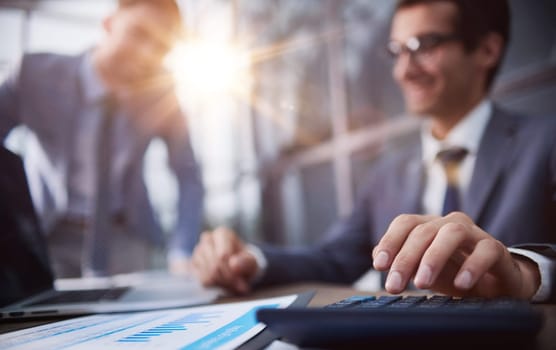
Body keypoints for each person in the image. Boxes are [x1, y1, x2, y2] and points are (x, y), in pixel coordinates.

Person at [190, 0, 556, 302]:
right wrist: (251, 260)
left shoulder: (546, 143)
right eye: (396, 51)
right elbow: (333, 259)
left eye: (423, 46)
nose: (404, 70)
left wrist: (528, 273)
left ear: (487, 50)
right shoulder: (388, 173)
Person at [0, 0, 204, 277]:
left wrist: (182, 251)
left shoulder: (161, 94)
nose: (148, 55)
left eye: (161, 47)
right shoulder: (33, 74)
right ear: (108, 24)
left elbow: (188, 176)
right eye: (140, 34)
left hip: (126, 238)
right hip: (49, 233)